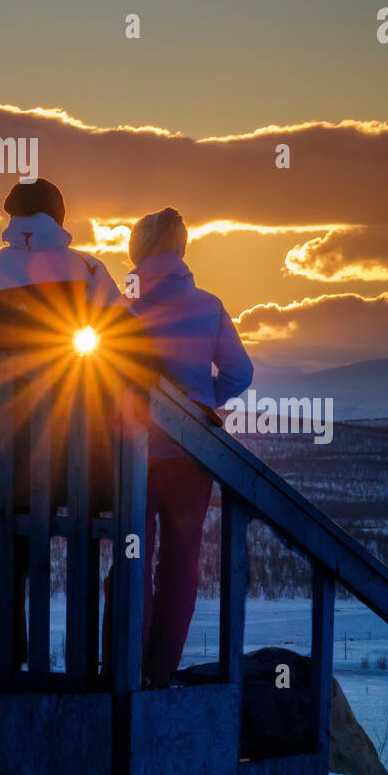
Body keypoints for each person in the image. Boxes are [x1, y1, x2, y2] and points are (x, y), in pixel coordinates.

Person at [0, 177, 157, 666]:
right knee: (49, 532)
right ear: (59, 217)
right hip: (70, 454)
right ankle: (65, 658)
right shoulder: (87, 270)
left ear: (11, 219)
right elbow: (128, 342)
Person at [125, 206, 253, 687]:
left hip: (130, 451)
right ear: (181, 249)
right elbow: (240, 374)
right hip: (192, 454)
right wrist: (200, 400)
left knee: (131, 556)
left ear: (137, 249)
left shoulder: (122, 306)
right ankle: (161, 674)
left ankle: (125, 666)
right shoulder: (209, 305)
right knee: (180, 564)